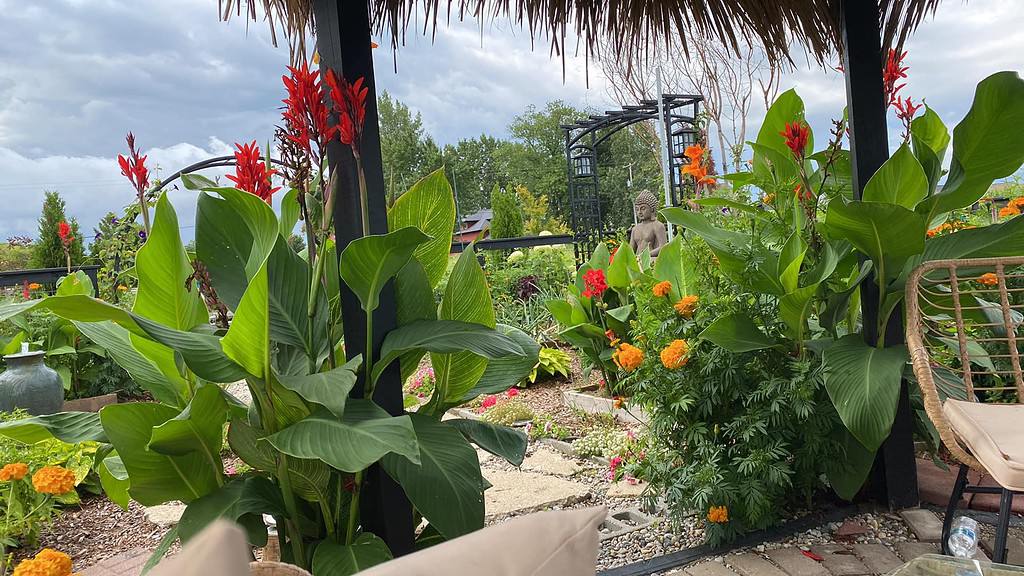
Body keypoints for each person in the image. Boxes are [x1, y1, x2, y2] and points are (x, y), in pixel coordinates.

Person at [628, 190, 668, 257]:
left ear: (652, 209)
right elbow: (630, 250)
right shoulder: (635, 229)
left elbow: (663, 247)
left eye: (643, 208)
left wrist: (645, 255)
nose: (639, 212)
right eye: (637, 209)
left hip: (652, 260)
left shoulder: (658, 226)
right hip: (638, 261)